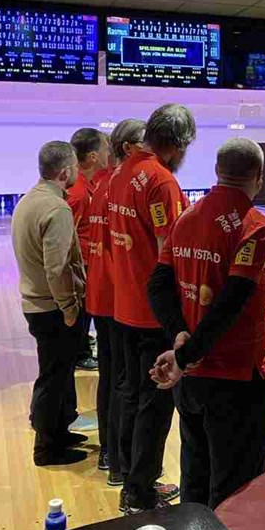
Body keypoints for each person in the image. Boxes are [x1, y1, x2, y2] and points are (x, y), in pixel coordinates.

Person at [147, 139, 265, 509]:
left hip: (190, 383)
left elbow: (158, 284)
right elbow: (230, 303)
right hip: (236, 379)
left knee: (195, 479)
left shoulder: (186, 217)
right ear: (259, 177)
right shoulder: (255, 226)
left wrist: (179, 339)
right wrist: (185, 355)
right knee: (236, 492)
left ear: (217, 171)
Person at [107, 103, 196, 514]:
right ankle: (140, 492)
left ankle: (128, 475)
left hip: (124, 304)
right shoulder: (160, 180)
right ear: (178, 144)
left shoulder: (119, 172)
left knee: (132, 395)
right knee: (155, 403)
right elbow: (169, 253)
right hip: (151, 313)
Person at [11, 141, 88, 466]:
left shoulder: (29, 200)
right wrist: (69, 307)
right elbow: (56, 268)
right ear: (65, 171)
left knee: (57, 373)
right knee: (53, 377)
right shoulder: (57, 209)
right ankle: (46, 449)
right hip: (51, 308)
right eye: (76, 167)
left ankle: (58, 432)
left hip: (36, 303)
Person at [85, 119, 145, 479]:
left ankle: (109, 452)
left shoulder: (102, 186)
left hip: (102, 293)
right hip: (116, 297)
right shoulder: (121, 185)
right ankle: (120, 462)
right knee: (124, 380)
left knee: (110, 376)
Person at [66, 127, 109, 372]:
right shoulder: (78, 194)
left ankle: (81, 344)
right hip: (82, 263)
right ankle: (79, 354)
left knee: (87, 311)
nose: (109, 153)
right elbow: (67, 236)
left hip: (89, 260)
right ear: (93, 156)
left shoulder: (87, 185)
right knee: (83, 311)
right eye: (105, 149)